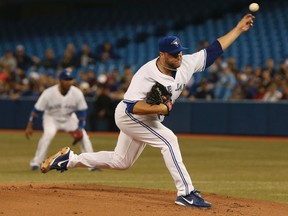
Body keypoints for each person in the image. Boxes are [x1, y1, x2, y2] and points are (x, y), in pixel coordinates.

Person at [40, 14, 255, 208]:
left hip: (148, 117)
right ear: (162, 55)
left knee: (121, 162)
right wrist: (161, 107)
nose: (178, 57)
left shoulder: (185, 64)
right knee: (168, 140)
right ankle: (186, 193)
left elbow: (213, 51)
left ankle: (69, 159)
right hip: (130, 116)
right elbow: (133, 105)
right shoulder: (147, 74)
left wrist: (238, 29)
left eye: (179, 52)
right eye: (173, 55)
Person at [25, 68, 96, 171]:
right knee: (47, 136)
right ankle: (36, 162)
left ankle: (92, 165)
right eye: (65, 79)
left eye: (70, 79)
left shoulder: (77, 93)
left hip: (69, 118)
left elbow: (82, 112)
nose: (68, 82)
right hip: (51, 118)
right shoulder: (48, 93)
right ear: (60, 80)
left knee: (84, 137)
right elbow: (36, 110)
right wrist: (30, 125)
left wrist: (80, 128)